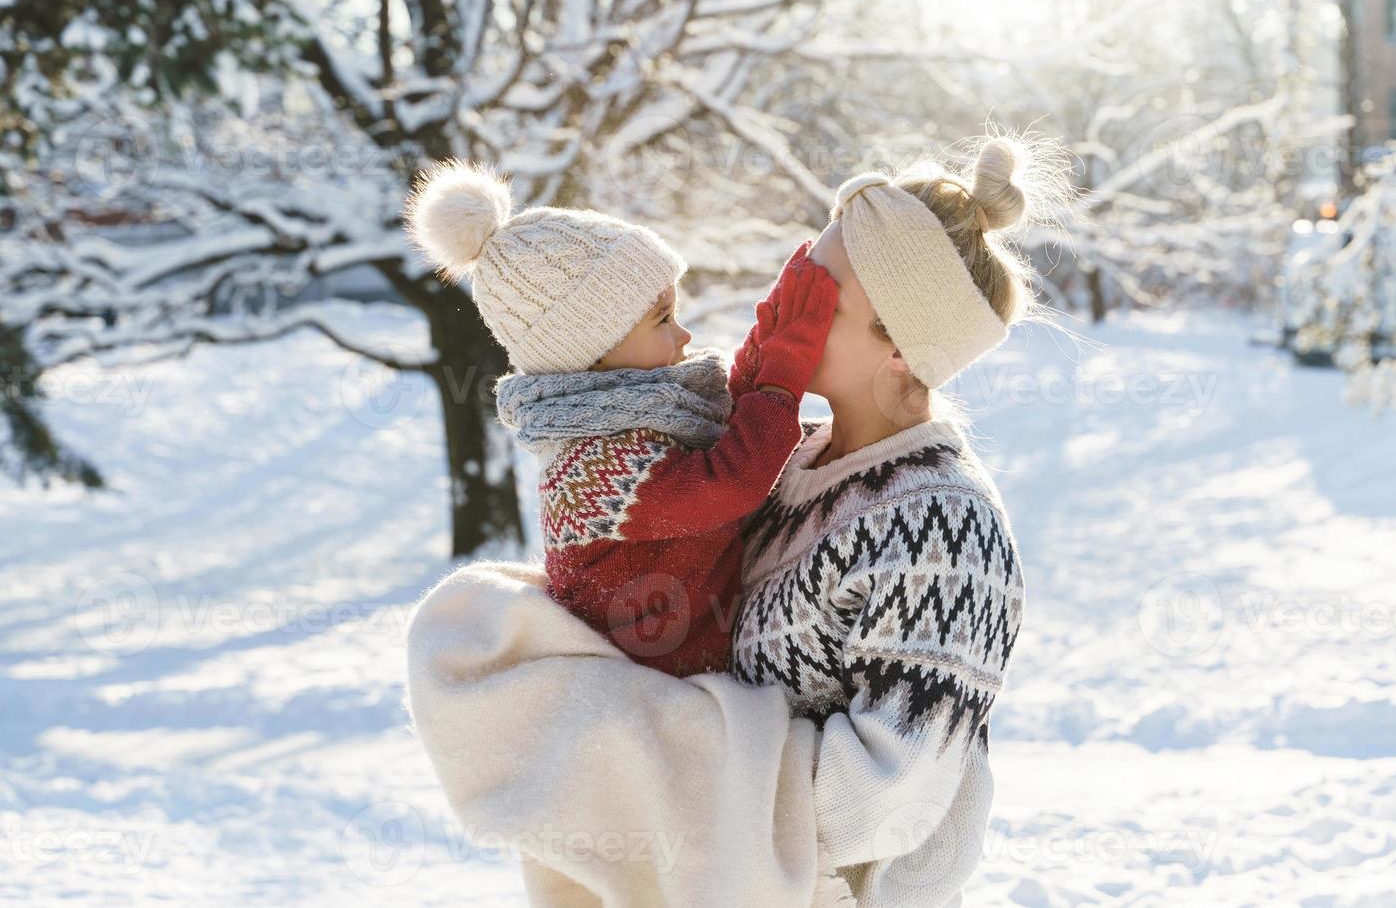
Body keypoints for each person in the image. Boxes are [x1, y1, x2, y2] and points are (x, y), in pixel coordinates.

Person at [406, 134, 1069, 907]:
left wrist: (647, 744)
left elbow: (888, 799)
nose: (785, 301)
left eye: (817, 291)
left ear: (895, 339)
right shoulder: (793, 464)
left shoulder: (944, 529)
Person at [402, 161, 837, 676]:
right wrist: (777, 384)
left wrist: (754, 364)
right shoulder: (589, 471)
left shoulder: (643, 421)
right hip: (642, 699)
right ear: (594, 349)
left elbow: (717, 444)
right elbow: (727, 485)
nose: (685, 336)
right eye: (662, 320)